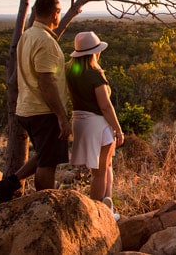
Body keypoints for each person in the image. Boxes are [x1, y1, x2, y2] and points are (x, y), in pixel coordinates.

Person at [0, 0, 71, 204]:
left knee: (45, 153)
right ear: (55, 14)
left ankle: (8, 184)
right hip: (42, 110)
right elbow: (47, 82)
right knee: (48, 162)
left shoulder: (27, 35)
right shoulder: (45, 42)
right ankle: (43, 206)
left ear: (36, 11)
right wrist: (61, 116)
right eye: (59, 12)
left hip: (26, 108)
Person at [66, 31, 124, 220]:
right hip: (97, 124)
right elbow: (105, 106)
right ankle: (97, 216)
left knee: (105, 166)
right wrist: (118, 128)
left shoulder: (70, 71)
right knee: (100, 172)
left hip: (79, 121)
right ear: (94, 53)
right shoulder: (95, 74)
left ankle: (107, 206)